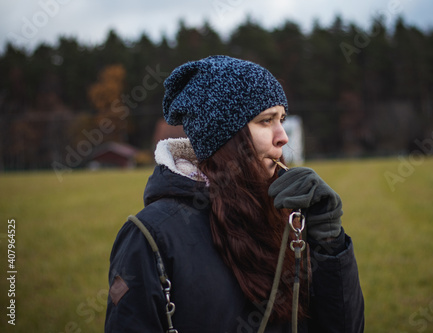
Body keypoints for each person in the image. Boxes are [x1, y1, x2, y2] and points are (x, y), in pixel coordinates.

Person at [105, 55, 364, 333]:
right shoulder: (150, 236)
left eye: (282, 119)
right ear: (224, 136)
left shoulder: (289, 216)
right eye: (266, 121)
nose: (283, 136)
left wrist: (330, 242)